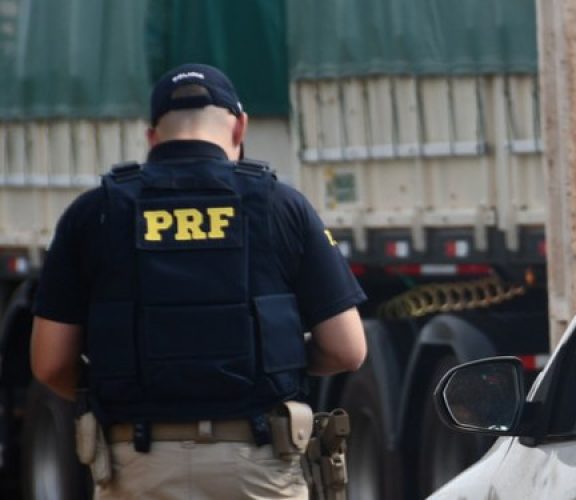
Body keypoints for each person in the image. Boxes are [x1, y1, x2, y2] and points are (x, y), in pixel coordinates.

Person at [29, 63, 367, 499]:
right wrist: (270, 361)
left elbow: (50, 363)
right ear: (240, 128)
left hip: (137, 464)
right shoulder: (282, 205)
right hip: (259, 462)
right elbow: (347, 348)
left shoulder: (94, 212)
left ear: (152, 136)